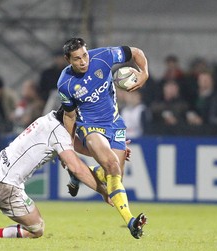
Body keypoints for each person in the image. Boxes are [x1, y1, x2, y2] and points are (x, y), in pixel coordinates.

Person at [0, 107, 110, 239]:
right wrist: (103, 191)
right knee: (36, 228)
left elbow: (76, 145)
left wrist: (105, 151)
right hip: (6, 185)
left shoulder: (48, 118)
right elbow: (77, 168)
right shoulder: (59, 134)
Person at [57, 37, 148, 239]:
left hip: (115, 123)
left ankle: (80, 174)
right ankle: (131, 221)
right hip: (90, 127)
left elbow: (135, 52)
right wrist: (68, 149)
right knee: (112, 166)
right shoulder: (65, 84)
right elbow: (70, 116)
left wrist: (144, 74)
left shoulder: (104, 56)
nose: (83, 61)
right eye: (77, 59)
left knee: (115, 177)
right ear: (67, 60)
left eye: (85, 55)